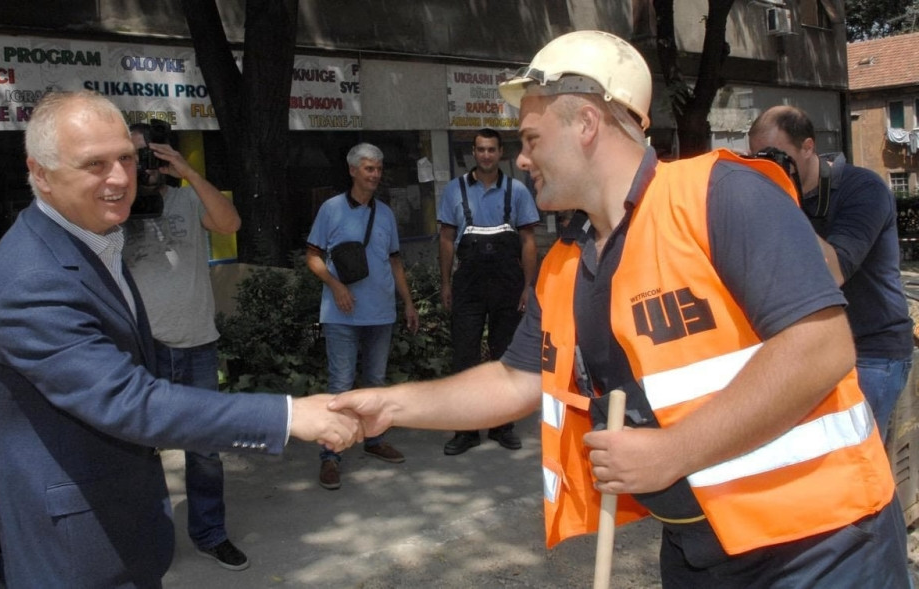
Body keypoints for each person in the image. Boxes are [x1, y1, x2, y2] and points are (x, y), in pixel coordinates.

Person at [330, 31, 910, 587]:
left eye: (530, 139)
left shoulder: (719, 194)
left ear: (585, 122)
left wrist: (673, 451)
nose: (521, 160)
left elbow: (821, 346)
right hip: (698, 550)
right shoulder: (567, 262)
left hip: (822, 549)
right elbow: (513, 381)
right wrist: (390, 404)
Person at [0, 90, 361, 588]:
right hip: (69, 552)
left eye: (127, 157)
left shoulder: (91, 238)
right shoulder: (32, 281)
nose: (119, 178)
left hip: (114, 522)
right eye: (94, 163)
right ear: (39, 172)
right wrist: (287, 415)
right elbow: (127, 401)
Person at [122, 122, 248, 570]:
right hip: (143, 350)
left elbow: (230, 222)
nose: (146, 165)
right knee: (139, 453)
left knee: (206, 451)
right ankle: (149, 539)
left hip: (196, 344)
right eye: (135, 156)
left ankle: (210, 533)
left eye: (151, 155)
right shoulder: (116, 208)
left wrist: (187, 171)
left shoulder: (187, 197)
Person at [749, 105, 914, 441]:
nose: (770, 168)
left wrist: (781, 200)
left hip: (871, 352)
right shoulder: (773, 200)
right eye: (758, 159)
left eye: (777, 157)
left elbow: (831, 271)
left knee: (859, 465)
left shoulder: (862, 189)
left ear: (808, 147)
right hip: (809, 351)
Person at [305, 142, 419, 490]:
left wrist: (409, 303)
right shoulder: (330, 209)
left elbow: (395, 261)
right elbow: (312, 256)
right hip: (342, 315)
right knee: (340, 386)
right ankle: (330, 455)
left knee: (375, 382)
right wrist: (336, 285)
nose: (375, 175)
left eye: (379, 169)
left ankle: (373, 440)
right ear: (353, 170)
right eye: (369, 169)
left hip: (381, 312)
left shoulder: (384, 213)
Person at [437, 127, 539, 455]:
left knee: (505, 356)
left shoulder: (518, 191)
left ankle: (502, 425)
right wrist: (446, 283)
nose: (485, 155)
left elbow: (527, 242)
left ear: (501, 154)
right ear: (473, 152)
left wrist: (528, 286)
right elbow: (446, 240)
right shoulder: (454, 190)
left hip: (508, 284)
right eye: (480, 149)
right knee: (465, 356)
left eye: (491, 150)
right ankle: (466, 431)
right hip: (469, 284)